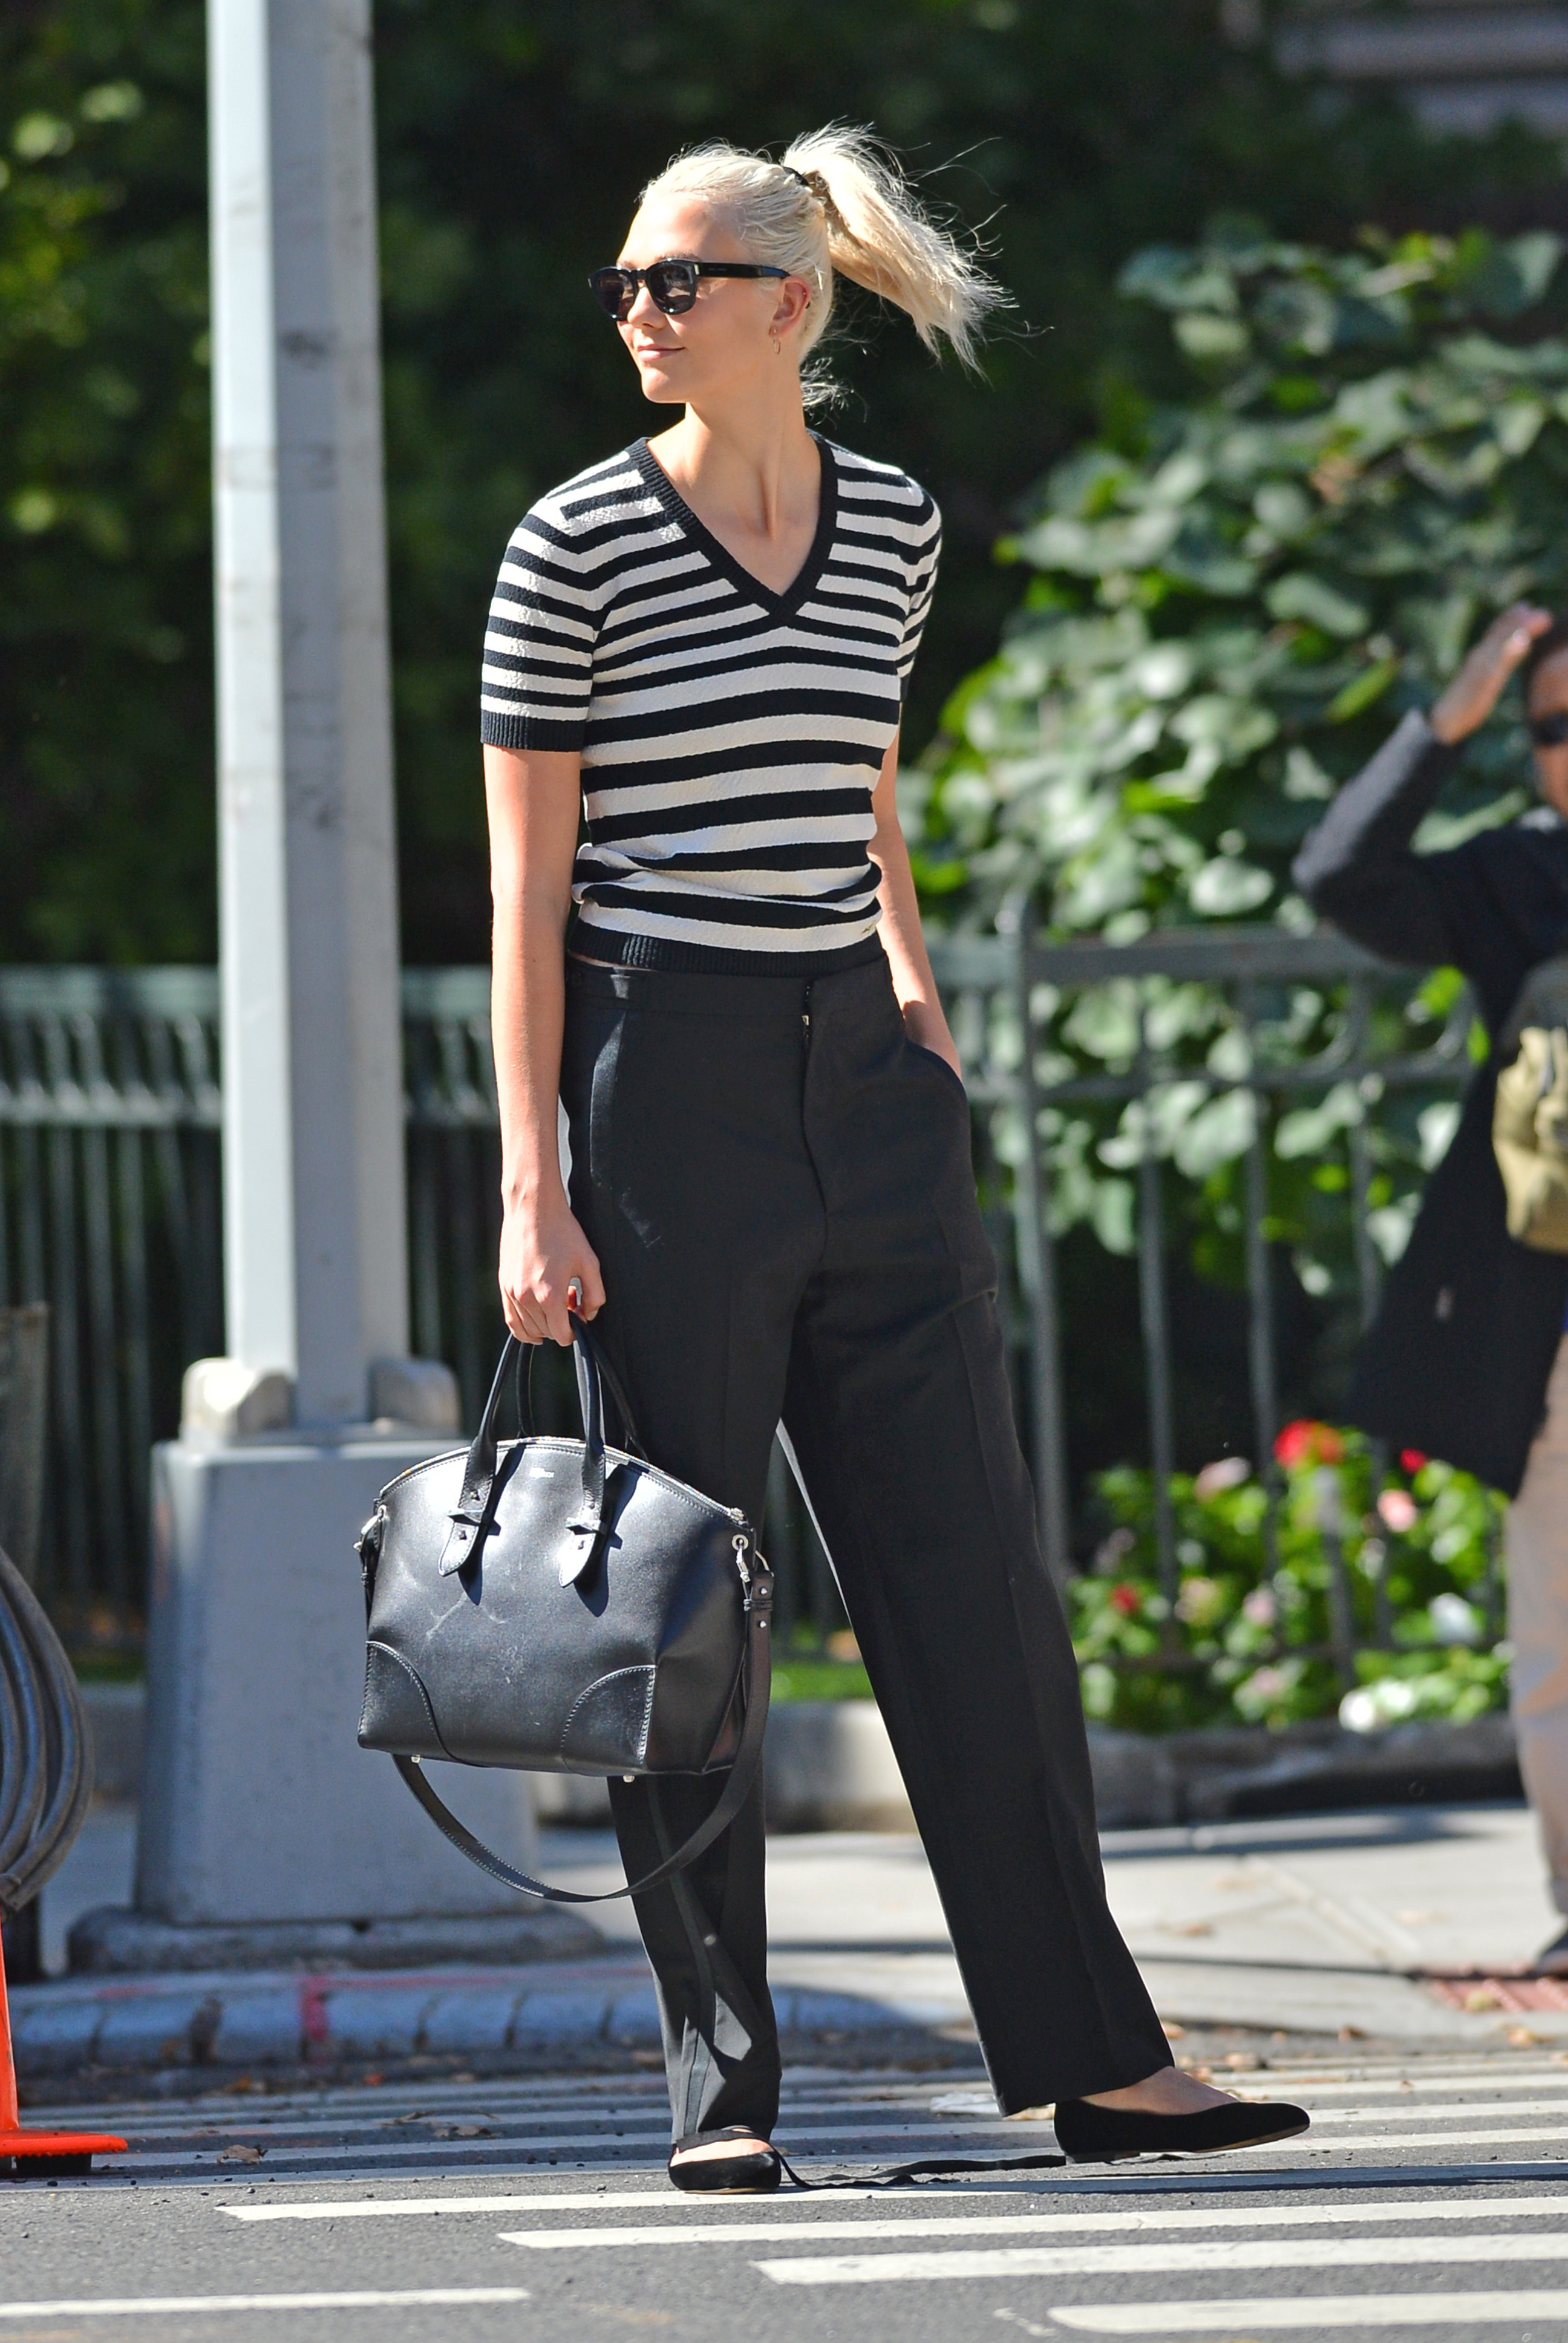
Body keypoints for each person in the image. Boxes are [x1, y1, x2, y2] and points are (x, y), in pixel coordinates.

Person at [482, 126, 1307, 2186]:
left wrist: (916, 995)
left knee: (976, 1583)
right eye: (625, 281)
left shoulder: (894, 527)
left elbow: (867, 778)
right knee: (682, 1598)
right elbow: (524, 889)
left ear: (789, 302)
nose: (640, 311)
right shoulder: (570, 545)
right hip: (660, 1088)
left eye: (676, 279)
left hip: (864, 1077)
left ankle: (1100, 2058)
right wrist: (531, 1178)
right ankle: (724, 2090)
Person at [1295, 603, 1568, 1972]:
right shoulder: (1519, 876)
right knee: (1559, 1629)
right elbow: (1342, 874)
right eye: (1552, 727)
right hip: (1552, 1320)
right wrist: (1440, 726)